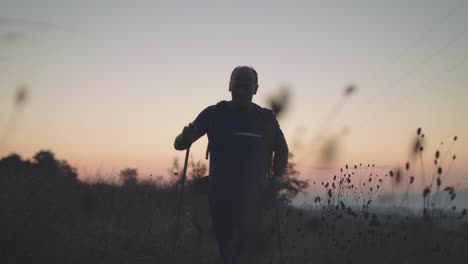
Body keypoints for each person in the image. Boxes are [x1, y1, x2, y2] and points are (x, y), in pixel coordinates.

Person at [174, 66, 288, 264]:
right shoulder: (214, 114)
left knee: (247, 253)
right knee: (227, 251)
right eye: (237, 85)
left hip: (254, 200)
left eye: (247, 85)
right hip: (220, 198)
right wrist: (186, 136)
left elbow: (282, 150)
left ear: (256, 89)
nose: (242, 90)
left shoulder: (265, 119)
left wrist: (276, 177)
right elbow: (180, 144)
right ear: (229, 86)